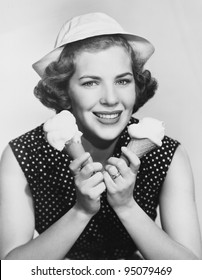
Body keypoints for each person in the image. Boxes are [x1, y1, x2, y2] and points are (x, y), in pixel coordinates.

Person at [0, 12, 201, 260]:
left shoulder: (168, 154)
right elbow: (10, 270)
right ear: (63, 90)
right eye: (90, 83)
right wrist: (81, 211)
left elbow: (191, 270)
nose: (111, 98)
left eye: (123, 81)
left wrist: (127, 206)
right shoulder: (24, 155)